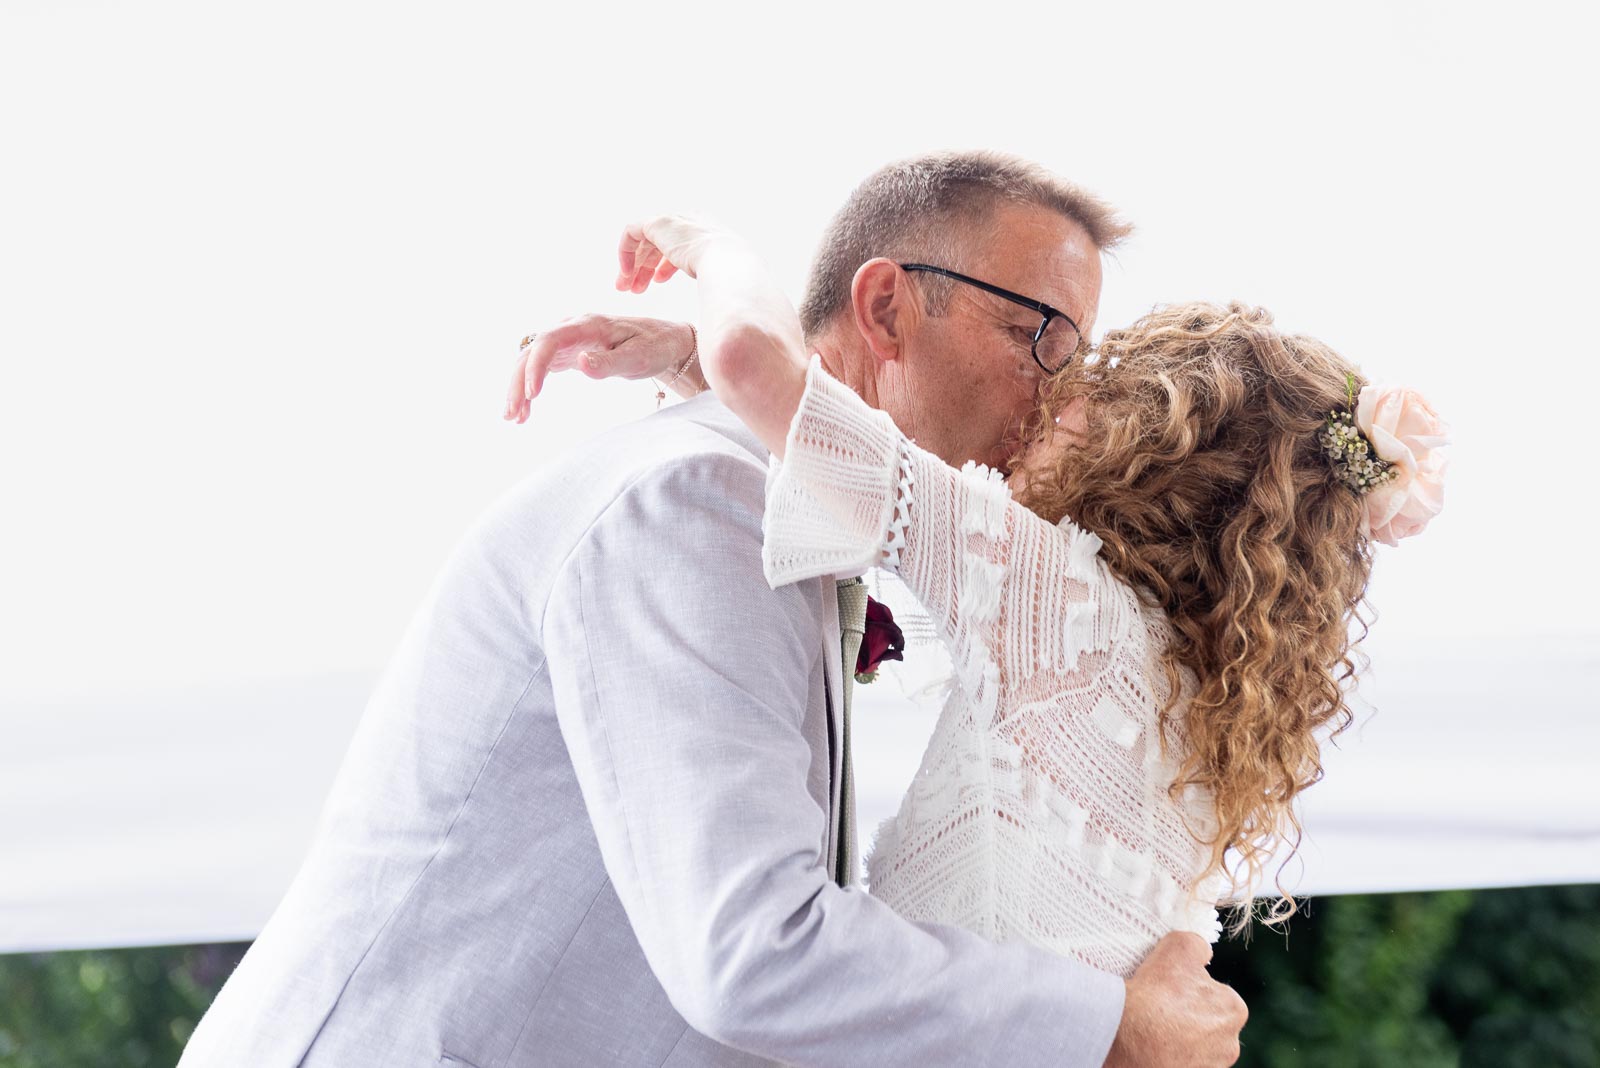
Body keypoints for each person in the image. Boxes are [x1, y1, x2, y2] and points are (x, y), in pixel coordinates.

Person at [180, 152, 1246, 1067]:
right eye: (1042, 335)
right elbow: (752, 951)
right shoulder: (695, 502)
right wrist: (1100, 1026)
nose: (1060, 394)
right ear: (885, 308)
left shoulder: (771, 505)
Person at [519, 209, 1450, 978]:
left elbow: (757, 367)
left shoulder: (1058, 600)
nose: (1049, 396)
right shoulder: (1205, 712)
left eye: (1091, 375)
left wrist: (711, 246)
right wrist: (690, 364)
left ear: (1144, 442)